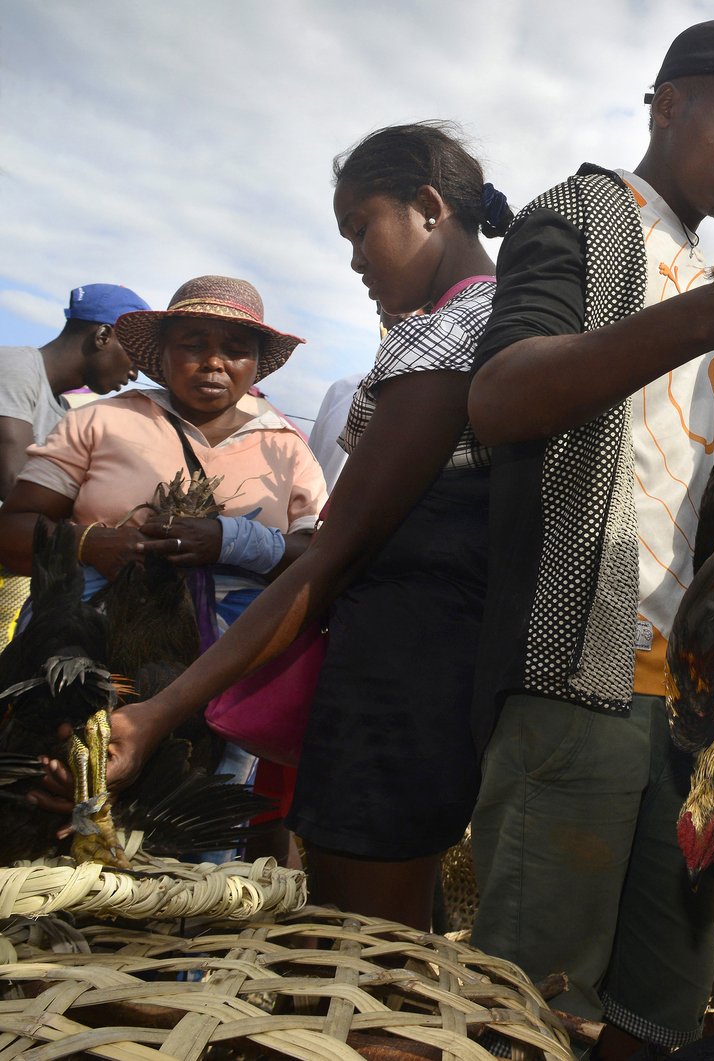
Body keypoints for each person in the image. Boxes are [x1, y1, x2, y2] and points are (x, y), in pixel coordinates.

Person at [465, 20, 714, 1058]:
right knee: (525, 1001)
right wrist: (708, 318)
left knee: (658, 1005)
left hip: (692, 699)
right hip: (579, 672)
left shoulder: (701, 268)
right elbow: (498, 401)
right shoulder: (584, 215)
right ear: (664, 103)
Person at [74, 122, 513, 931]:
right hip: (424, 677)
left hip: (401, 688)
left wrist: (162, 711)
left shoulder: (452, 336)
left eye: (359, 229)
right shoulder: (493, 321)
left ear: (427, 206)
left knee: (365, 947)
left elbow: (331, 557)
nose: (354, 259)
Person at [0, 276, 324, 608]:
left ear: (256, 365)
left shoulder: (287, 449)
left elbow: (321, 555)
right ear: (161, 352)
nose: (214, 362)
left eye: (236, 350)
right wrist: (92, 544)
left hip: (236, 654)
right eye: (193, 345)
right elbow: (12, 531)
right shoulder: (96, 422)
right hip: (90, 636)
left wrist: (232, 541)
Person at [0, 284, 149, 500]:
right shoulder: (16, 367)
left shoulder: (65, 411)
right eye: (135, 357)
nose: (135, 375)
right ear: (103, 336)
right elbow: (14, 482)